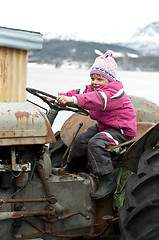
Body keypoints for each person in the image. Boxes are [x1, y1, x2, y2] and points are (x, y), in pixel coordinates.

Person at [48, 50, 137, 201]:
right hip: (104, 126)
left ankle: (107, 179)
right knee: (80, 139)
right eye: (93, 78)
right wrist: (60, 97)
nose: (95, 82)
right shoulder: (94, 88)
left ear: (110, 79)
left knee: (95, 143)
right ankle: (72, 169)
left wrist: (73, 100)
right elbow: (79, 92)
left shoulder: (114, 92)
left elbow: (96, 99)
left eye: (100, 79)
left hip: (120, 129)